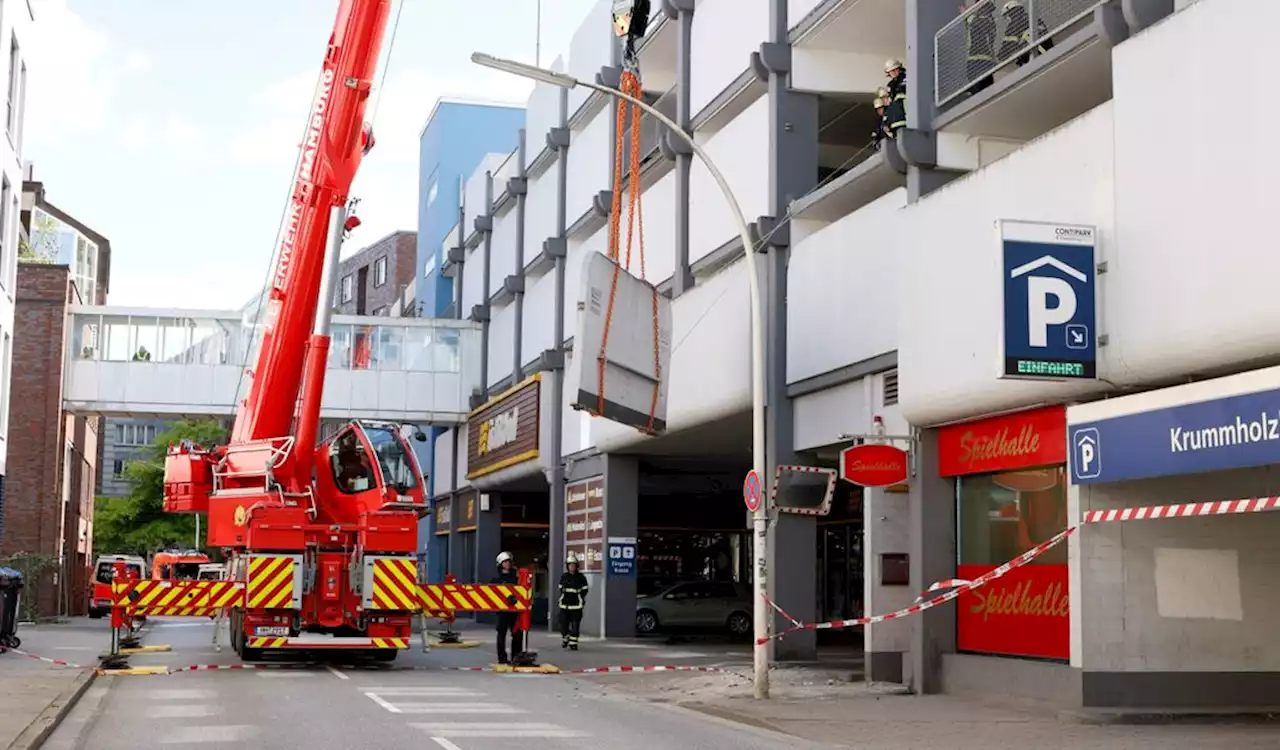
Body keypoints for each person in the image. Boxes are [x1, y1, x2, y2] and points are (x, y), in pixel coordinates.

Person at [491, 551, 523, 665]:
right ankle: (502, 658)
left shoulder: (516, 577)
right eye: (505, 562)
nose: (507, 564)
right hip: (502, 612)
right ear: (500, 564)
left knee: (517, 634)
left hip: (515, 611)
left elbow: (522, 591)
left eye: (508, 562)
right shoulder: (496, 579)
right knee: (501, 634)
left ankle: (516, 657)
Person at [558, 553, 589, 650]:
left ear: (576, 566)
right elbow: (560, 587)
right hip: (564, 605)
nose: (572, 567)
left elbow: (585, 589)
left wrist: (580, 596)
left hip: (576, 605)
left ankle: (573, 643)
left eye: (573, 565)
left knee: (575, 625)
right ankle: (565, 638)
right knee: (563, 624)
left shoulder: (581, 577)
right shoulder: (564, 576)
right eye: (570, 565)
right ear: (567, 566)